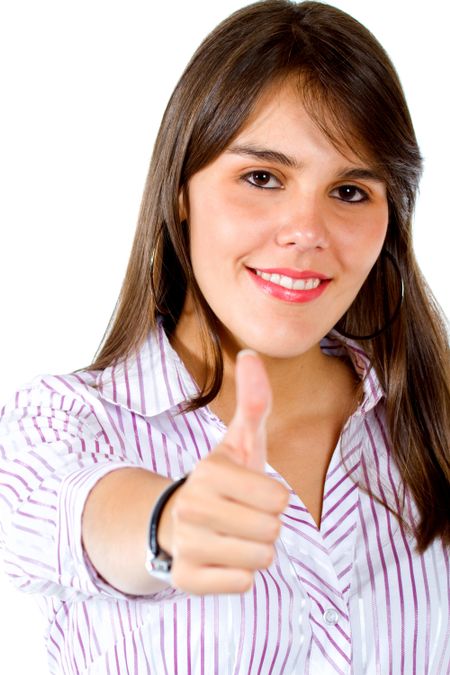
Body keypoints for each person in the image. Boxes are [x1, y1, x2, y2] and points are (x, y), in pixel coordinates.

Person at [1, 0, 449, 672]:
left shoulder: (431, 422)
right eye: (262, 177)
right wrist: (167, 523)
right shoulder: (63, 422)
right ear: (181, 191)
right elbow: (66, 516)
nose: (307, 230)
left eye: (351, 190)